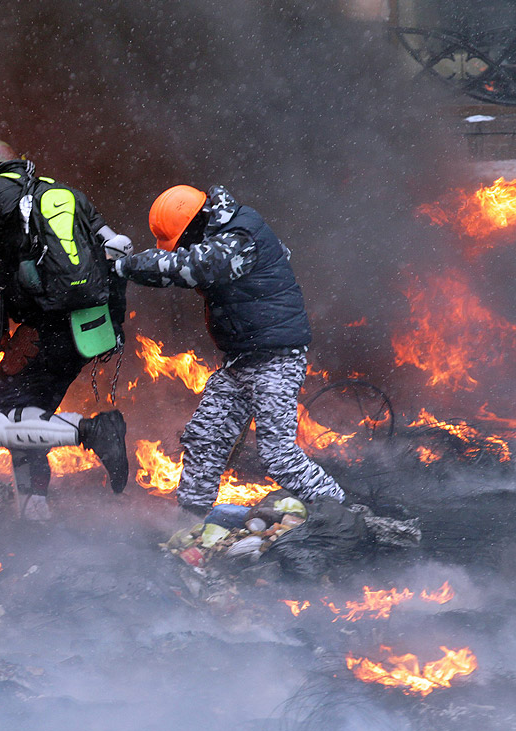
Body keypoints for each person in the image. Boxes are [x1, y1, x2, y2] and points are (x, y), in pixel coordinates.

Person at [113, 184, 346, 516]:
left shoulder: (240, 234)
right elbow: (179, 270)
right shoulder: (222, 234)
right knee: (203, 439)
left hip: (277, 361)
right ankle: (191, 523)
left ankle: (341, 515)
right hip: (241, 363)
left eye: (181, 241)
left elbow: (197, 266)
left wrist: (124, 267)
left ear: (195, 224)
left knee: (278, 456)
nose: (182, 248)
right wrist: (126, 270)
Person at [0, 139, 133, 521]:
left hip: (45, 330)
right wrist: (114, 320)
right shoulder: (64, 192)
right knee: (28, 419)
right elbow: (118, 250)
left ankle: (94, 432)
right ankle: (35, 509)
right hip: (87, 329)